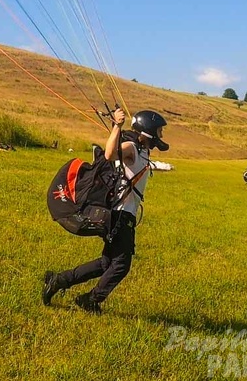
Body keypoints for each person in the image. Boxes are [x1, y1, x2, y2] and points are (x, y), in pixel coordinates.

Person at [42, 108, 170, 314]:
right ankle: (90, 300)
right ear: (149, 131)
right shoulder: (132, 148)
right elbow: (110, 154)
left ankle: (60, 280)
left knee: (106, 263)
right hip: (121, 216)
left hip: (124, 215)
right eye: (159, 131)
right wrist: (117, 126)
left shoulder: (144, 151)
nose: (161, 135)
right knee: (121, 265)